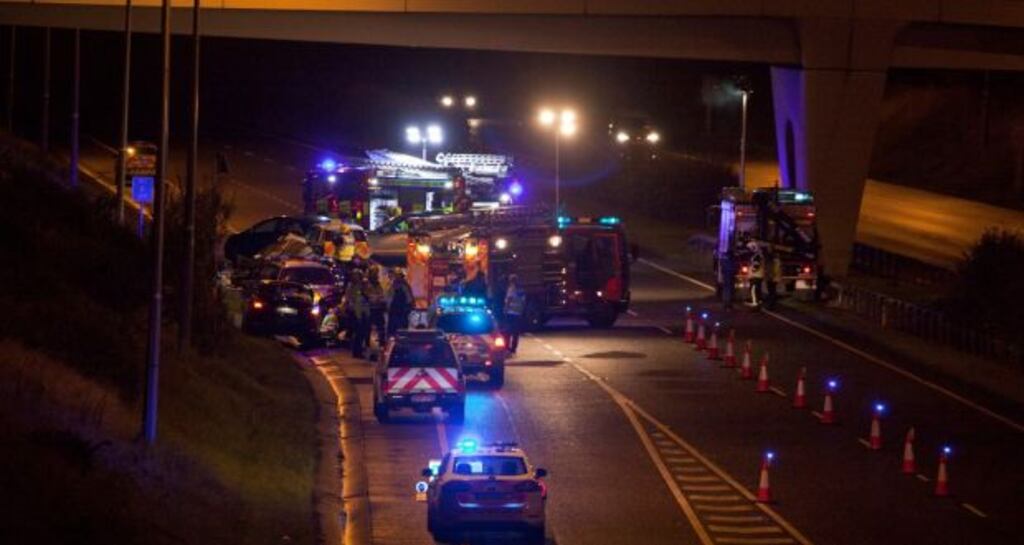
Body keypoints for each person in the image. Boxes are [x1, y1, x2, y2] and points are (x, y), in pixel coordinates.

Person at [344, 269, 370, 358]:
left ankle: (359, 350)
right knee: (358, 332)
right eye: (355, 275)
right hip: (354, 312)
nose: (356, 277)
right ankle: (357, 351)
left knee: (362, 332)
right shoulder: (351, 286)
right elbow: (349, 298)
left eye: (358, 276)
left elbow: (367, 297)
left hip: (362, 312)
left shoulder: (363, 285)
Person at [365, 266, 387, 350]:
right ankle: (367, 344)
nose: (375, 275)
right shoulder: (366, 284)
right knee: (367, 328)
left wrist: (381, 299)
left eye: (376, 273)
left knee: (381, 327)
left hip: (378, 308)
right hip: (369, 309)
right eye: (374, 273)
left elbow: (382, 294)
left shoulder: (378, 284)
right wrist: (374, 298)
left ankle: (382, 344)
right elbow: (366, 295)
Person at [503, 274, 526, 353]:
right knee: (516, 332)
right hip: (518, 313)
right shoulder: (521, 290)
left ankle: (507, 347)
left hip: (510, 312)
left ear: (511, 281)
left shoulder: (511, 289)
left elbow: (509, 299)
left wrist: (505, 309)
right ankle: (513, 348)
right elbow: (523, 302)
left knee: (508, 331)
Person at [388, 268, 414, 337]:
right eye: (396, 275)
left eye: (398, 275)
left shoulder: (404, 286)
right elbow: (389, 299)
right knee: (394, 331)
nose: (397, 277)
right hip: (395, 313)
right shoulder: (393, 286)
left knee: (401, 331)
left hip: (401, 313)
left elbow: (409, 299)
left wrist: (408, 308)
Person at [748, 242, 765, 309]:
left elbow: (756, 265)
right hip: (758, 275)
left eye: (750, 248)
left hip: (756, 275)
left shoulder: (757, 256)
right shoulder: (759, 255)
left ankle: (755, 303)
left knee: (753, 289)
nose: (750, 250)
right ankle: (759, 302)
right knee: (757, 289)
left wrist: (752, 270)